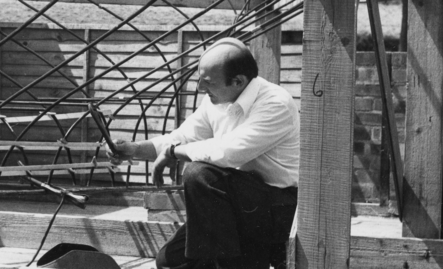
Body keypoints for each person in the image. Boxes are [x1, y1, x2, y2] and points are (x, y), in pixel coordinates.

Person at [106, 37, 299, 269]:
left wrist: (174, 152)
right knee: (169, 261)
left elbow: (227, 153)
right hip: (234, 206)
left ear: (238, 81)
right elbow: (182, 138)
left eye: (207, 82)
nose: (199, 88)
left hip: (275, 210)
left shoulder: (276, 103)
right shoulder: (218, 99)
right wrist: (134, 149)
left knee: (200, 174)